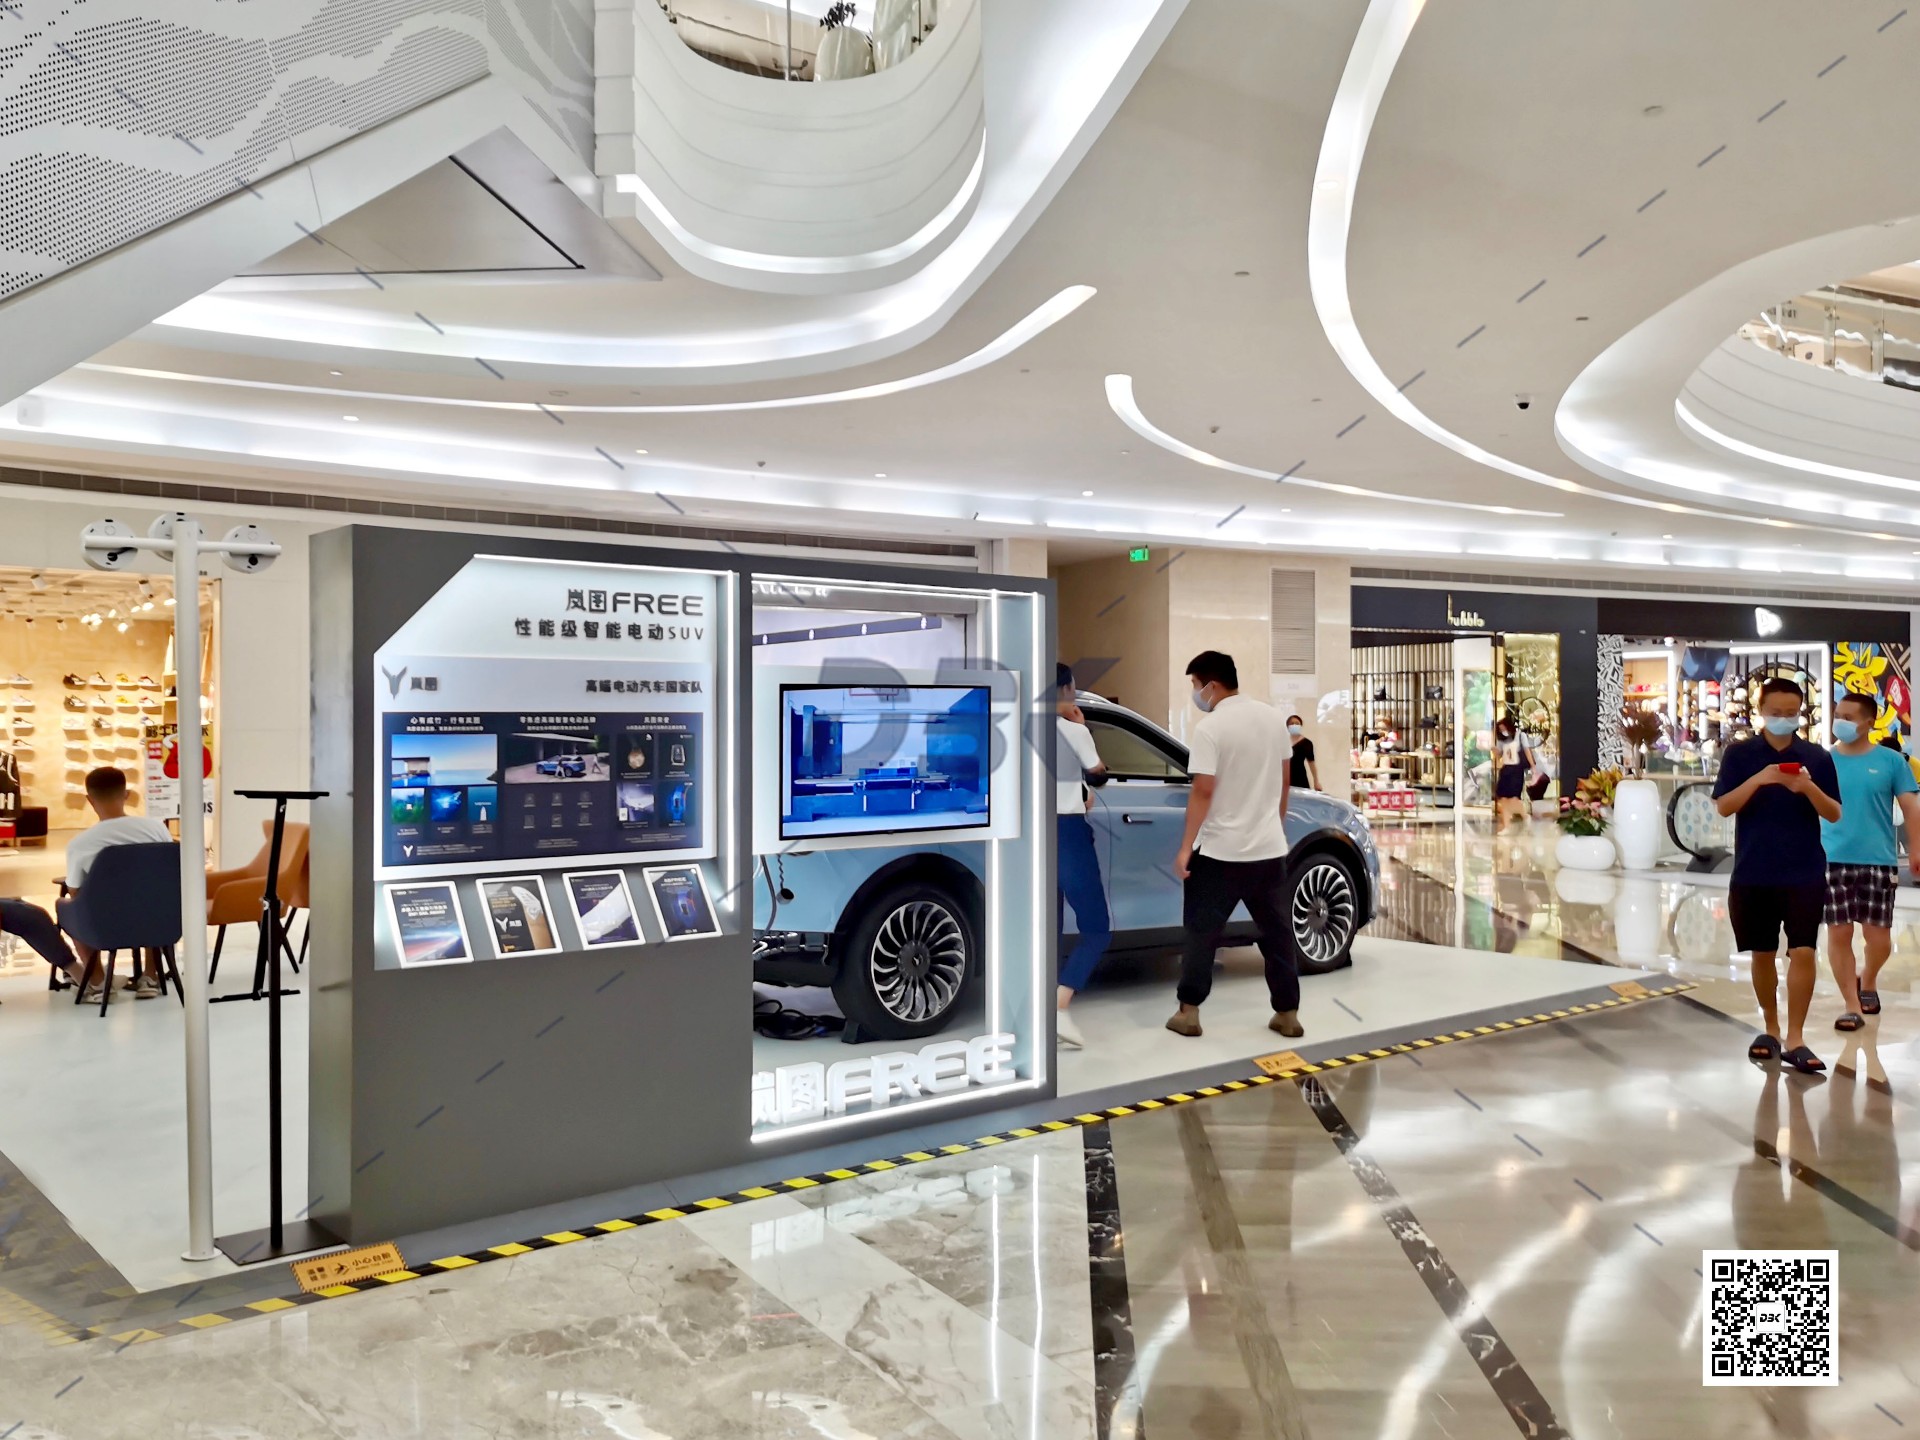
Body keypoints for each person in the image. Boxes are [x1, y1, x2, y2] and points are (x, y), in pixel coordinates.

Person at [1712, 679, 1842, 1074]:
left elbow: (1834, 812)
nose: (1783, 718)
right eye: (1776, 712)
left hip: (1804, 869)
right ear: (1761, 711)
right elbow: (1724, 806)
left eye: (1791, 712)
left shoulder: (1816, 757)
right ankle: (1771, 1027)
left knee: (1803, 950)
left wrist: (1806, 787)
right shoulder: (1740, 754)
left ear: (1801, 712)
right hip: (1754, 870)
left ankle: (1796, 1037)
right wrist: (1761, 778)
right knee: (1763, 952)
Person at [1169, 650, 1300, 1040]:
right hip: (1268, 851)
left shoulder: (1211, 729)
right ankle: (1288, 1014)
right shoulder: (1273, 719)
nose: (1196, 693)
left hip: (1219, 853)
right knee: (1277, 935)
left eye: (1196, 685)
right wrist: (1273, 827)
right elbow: (1284, 781)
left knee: (1201, 934)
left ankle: (1189, 1013)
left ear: (1211, 685)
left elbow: (1203, 790)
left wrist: (1185, 847)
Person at [1821, 691, 1919, 1031]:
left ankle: (1869, 978)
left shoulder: (1892, 762)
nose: (1840, 722)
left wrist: (1916, 848)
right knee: (1839, 933)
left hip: (1878, 860)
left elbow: (1911, 808)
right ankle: (1852, 1005)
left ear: (1868, 722)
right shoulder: (1824, 761)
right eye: (1838, 715)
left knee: (1879, 939)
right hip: (1832, 858)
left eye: (1848, 717)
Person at [62, 766, 173, 1000]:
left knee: (68, 907)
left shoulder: (81, 843)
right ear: (127, 795)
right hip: (159, 920)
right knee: (153, 897)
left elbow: (75, 892)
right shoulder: (157, 829)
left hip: (106, 925)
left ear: (89, 800)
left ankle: (99, 982)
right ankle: (150, 977)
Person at [1053, 663, 1110, 1050]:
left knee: (1047, 928)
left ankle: (1033, 1005)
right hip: (1068, 834)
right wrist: (1082, 727)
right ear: (1065, 690)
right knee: (1096, 928)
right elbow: (1098, 775)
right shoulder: (1073, 731)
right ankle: (1059, 1006)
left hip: (1028, 836)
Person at [1492, 717, 1533, 831]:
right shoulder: (1502, 740)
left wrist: (1532, 765)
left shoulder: (1520, 735)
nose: (1503, 731)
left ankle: (1524, 815)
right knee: (1503, 798)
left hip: (1516, 769)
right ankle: (1506, 826)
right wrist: (1494, 751)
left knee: (1514, 797)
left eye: (1504, 728)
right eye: (1500, 729)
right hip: (1506, 769)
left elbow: (1527, 751)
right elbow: (1499, 755)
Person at [1285, 715, 1318, 793]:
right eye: (1292, 723)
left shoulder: (1307, 743)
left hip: (1300, 777)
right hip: (1285, 777)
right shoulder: (1283, 741)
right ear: (1287, 726)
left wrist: (1316, 781)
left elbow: (1311, 763)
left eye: (1297, 723)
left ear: (1300, 725)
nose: (1294, 725)